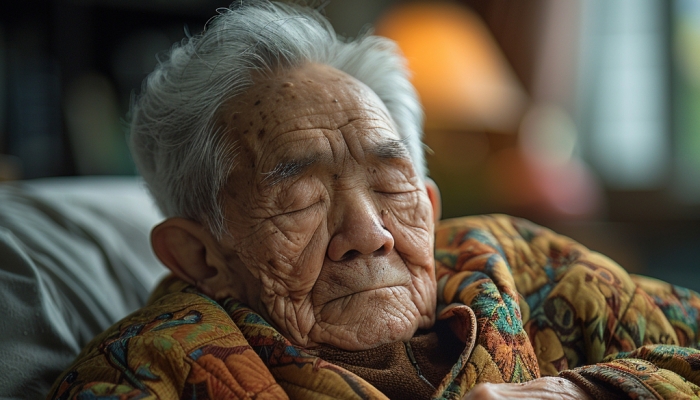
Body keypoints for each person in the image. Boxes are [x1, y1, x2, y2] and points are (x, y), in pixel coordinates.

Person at [49, 2, 700, 399]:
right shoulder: (148, 370)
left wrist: (584, 391)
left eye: (392, 185)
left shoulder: (528, 266)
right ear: (199, 253)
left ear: (431, 203)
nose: (370, 232)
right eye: (300, 197)